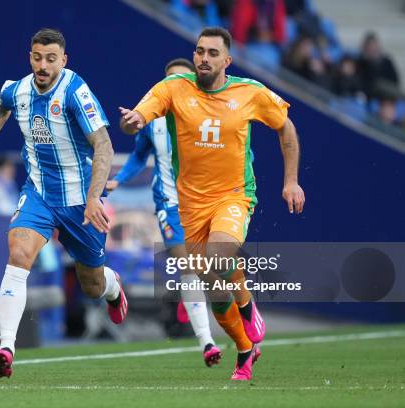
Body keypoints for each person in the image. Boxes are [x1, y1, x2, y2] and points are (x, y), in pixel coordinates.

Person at [119, 27, 305, 380]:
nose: (204, 58)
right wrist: (132, 122)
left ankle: (247, 302)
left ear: (227, 60)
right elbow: (140, 118)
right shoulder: (174, 88)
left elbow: (286, 127)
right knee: (211, 282)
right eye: (200, 51)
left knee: (219, 255)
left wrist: (291, 181)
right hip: (189, 204)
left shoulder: (249, 92)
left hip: (233, 195)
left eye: (212, 53)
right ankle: (244, 349)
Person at [0, 28, 128, 379]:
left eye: (51, 59)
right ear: (30, 56)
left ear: (64, 60)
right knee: (18, 252)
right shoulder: (18, 89)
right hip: (39, 193)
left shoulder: (75, 91)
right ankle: (6, 348)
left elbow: (104, 146)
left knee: (89, 285)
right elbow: (1, 108)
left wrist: (93, 198)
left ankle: (112, 285)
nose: (42, 65)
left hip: (80, 200)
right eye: (37, 57)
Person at [106, 57, 221, 367]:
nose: (176, 86)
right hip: (169, 203)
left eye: (183, 79)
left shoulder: (211, 115)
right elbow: (139, 155)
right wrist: (119, 178)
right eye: (170, 80)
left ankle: (191, 296)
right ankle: (207, 342)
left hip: (205, 203)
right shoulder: (153, 119)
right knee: (187, 264)